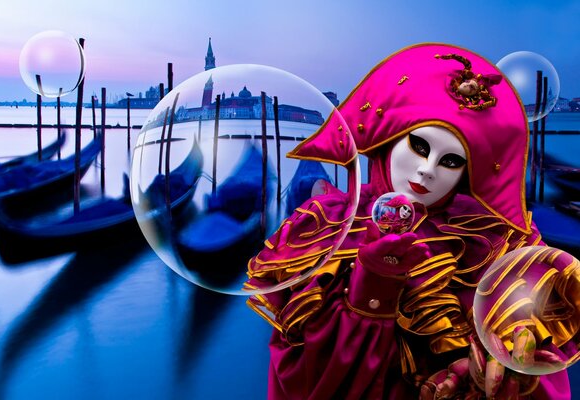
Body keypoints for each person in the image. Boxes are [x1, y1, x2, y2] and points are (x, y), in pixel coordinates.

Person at [245, 43, 575, 399]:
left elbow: (543, 370)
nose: (427, 170)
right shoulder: (322, 229)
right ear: (388, 139)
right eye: (419, 145)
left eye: (450, 162)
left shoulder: (493, 243)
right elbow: (304, 380)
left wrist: (504, 373)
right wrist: (370, 290)